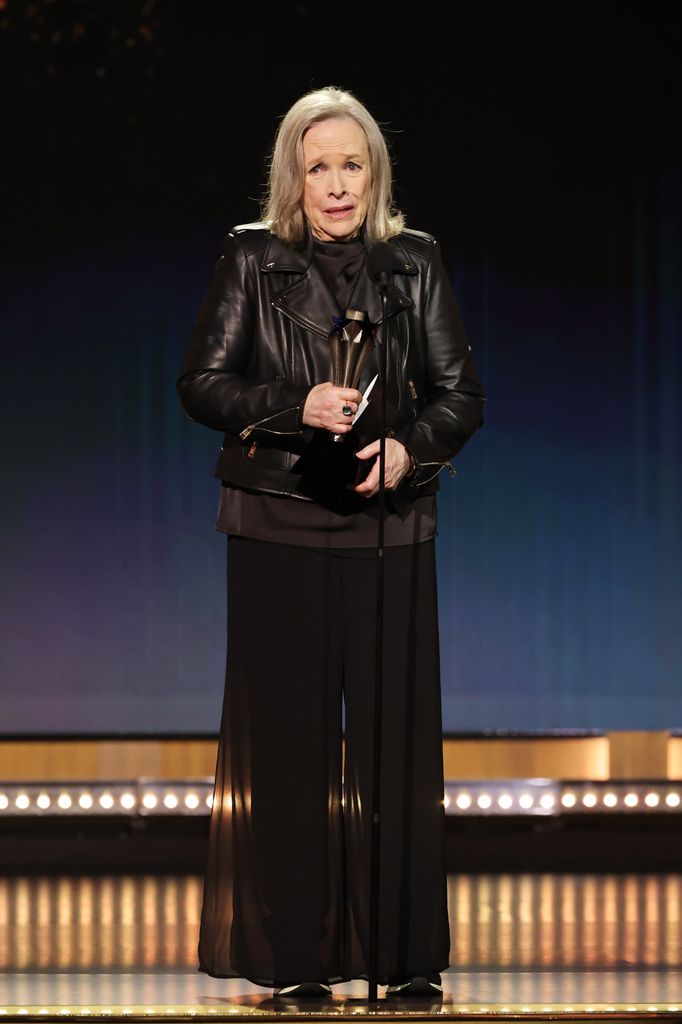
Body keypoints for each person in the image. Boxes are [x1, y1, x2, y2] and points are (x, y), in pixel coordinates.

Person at [177, 85, 485, 1000]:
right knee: (288, 754)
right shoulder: (250, 260)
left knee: (395, 754)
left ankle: (404, 958)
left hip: (388, 534)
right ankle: (298, 962)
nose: (338, 185)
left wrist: (408, 449)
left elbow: (460, 397)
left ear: (374, 173)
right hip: (276, 528)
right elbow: (202, 384)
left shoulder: (415, 263)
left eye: (353, 165)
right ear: (295, 178)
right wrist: (290, 407)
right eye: (320, 167)